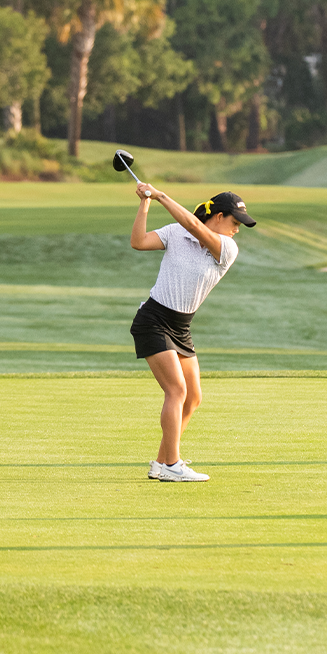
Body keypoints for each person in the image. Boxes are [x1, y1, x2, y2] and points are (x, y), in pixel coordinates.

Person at [128, 184, 255, 482]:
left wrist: (161, 196)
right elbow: (138, 242)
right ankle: (173, 464)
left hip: (180, 327)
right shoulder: (175, 233)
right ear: (220, 216)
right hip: (153, 319)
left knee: (193, 397)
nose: (237, 230)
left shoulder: (227, 249)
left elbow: (195, 224)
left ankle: (161, 462)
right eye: (235, 223)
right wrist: (146, 202)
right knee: (177, 391)